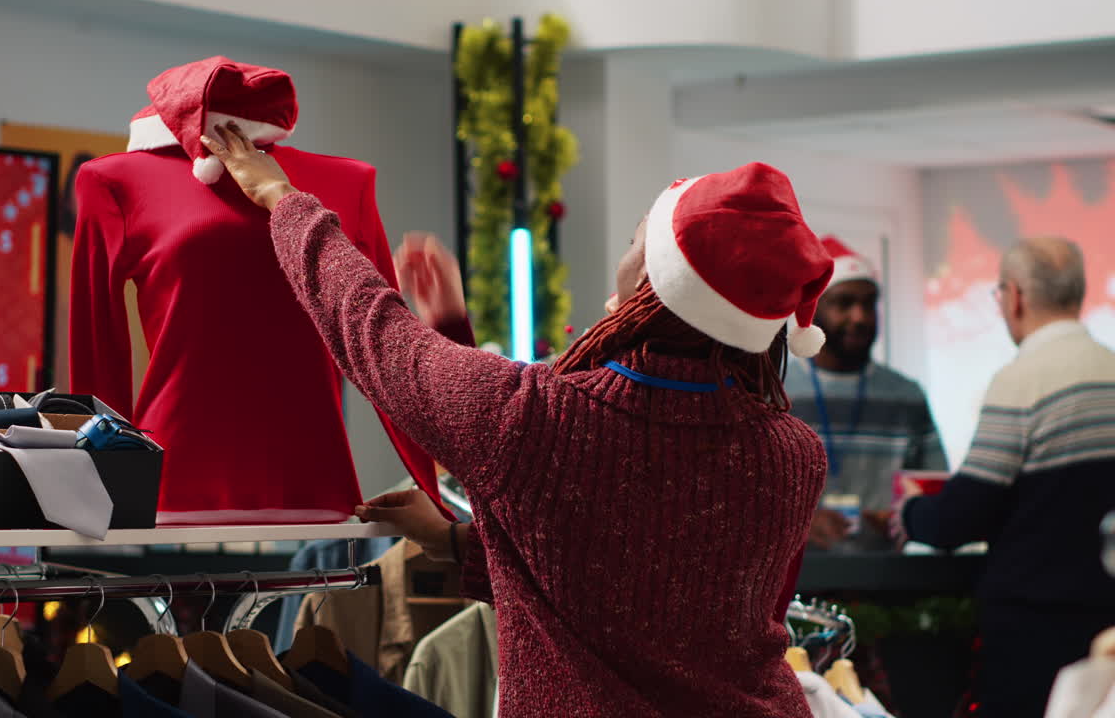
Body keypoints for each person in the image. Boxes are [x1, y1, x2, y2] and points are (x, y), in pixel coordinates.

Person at [203, 124, 834, 717]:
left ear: (653, 281)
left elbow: (373, 333)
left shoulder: (542, 424)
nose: (624, 255)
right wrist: (453, 540)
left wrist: (283, 199)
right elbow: (623, 585)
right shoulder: (793, 454)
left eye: (635, 241)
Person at [897, 237, 1115, 718]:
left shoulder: (1021, 381)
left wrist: (912, 510)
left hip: (1034, 626)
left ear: (1014, 296)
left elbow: (962, 516)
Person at [784, 236, 947, 551]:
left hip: (887, 580)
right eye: (844, 303)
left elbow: (935, 486)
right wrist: (801, 523)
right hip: (796, 582)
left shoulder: (906, 396)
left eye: (868, 303)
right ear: (812, 310)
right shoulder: (777, 390)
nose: (860, 317)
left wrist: (907, 515)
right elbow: (742, 491)